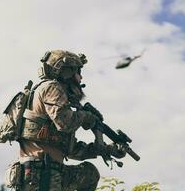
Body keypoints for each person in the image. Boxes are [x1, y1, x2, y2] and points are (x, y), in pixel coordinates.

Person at [16, 50, 126, 191]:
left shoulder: (52, 99)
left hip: (49, 172)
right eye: (78, 72)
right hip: (39, 175)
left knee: (89, 173)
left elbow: (71, 150)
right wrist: (87, 117)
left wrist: (107, 149)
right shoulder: (52, 88)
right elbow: (65, 123)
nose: (80, 78)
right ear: (66, 72)